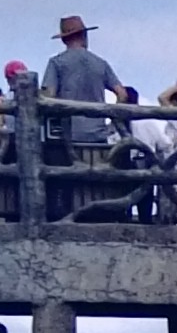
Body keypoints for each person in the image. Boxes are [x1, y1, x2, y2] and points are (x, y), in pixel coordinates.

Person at [37, 14, 131, 220]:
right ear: (84, 35)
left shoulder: (57, 63)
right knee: (95, 183)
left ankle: (62, 219)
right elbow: (122, 94)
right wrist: (111, 120)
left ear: (64, 39)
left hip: (66, 137)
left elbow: (49, 96)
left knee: (58, 181)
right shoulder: (100, 63)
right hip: (97, 134)